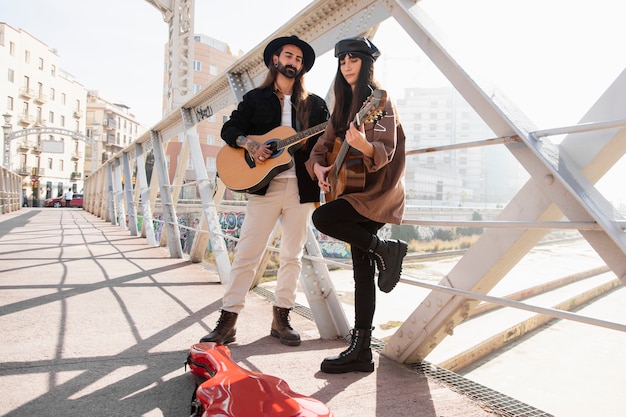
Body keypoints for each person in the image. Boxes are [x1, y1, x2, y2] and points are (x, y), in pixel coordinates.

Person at [200, 36, 329, 347]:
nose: (293, 62)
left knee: (292, 256)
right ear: (275, 60)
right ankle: (228, 320)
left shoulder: (315, 105)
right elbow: (229, 129)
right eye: (289, 56)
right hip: (264, 187)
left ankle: (281, 317)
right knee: (247, 255)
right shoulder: (255, 99)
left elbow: (326, 142)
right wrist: (250, 144)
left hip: (301, 187)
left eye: (299, 59)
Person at [305, 37, 407, 373]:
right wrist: (319, 167)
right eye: (342, 60)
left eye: (353, 59)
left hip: (378, 191)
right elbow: (321, 148)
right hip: (353, 188)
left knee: (323, 218)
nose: (347, 65)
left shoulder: (380, 101)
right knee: (362, 273)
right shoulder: (342, 106)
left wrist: (363, 145)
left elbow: (385, 149)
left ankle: (386, 249)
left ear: (366, 63)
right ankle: (362, 350)